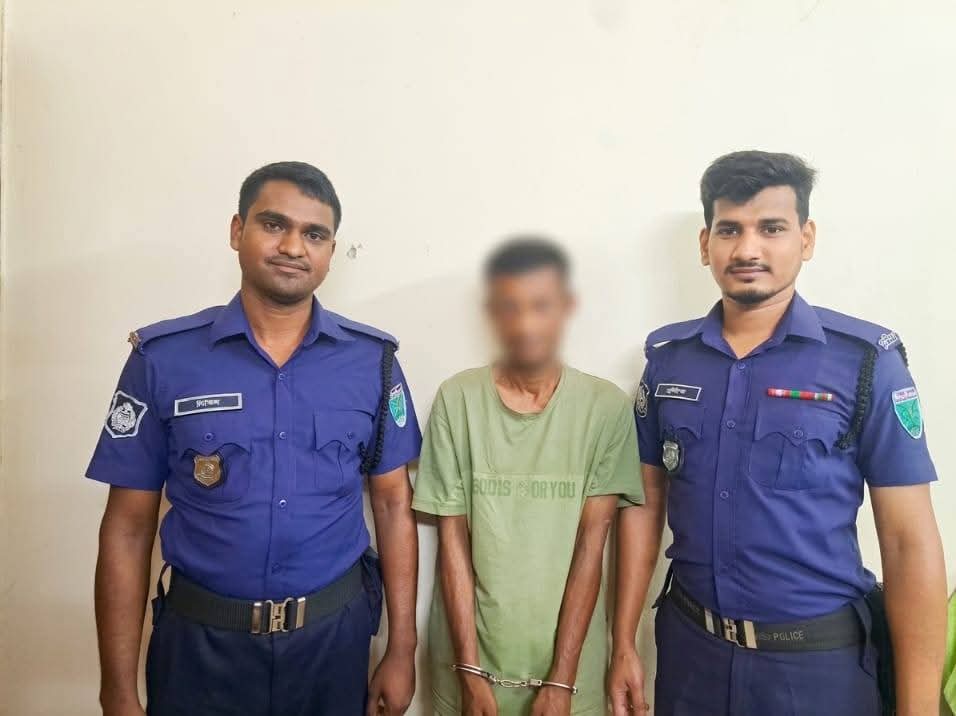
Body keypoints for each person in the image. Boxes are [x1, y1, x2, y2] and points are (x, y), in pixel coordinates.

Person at [609, 150, 947, 715]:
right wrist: (623, 642)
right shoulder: (669, 361)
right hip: (691, 657)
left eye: (771, 228)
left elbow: (909, 543)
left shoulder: (866, 364)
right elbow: (643, 503)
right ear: (705, 244)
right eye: (729, 230)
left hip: (816, 668)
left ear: (806, 239)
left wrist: (919, 709)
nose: (748, 249)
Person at [88, 161, 422, 716]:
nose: (293, 246)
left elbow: (392, 505)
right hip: (200, 648)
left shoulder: (373, 362)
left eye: (314, 234)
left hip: (332, 645)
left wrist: (403, 648)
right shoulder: (163, 359)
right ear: (237, 231)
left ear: (330, 252)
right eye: (273, 225)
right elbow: (126, 528)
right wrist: (116, 688)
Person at [412, 238, 644, 716]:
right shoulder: (458, 400)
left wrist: (561, 681)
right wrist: (470, 675)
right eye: (510, 307)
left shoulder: (604, 409)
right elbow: (453, 545)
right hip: (466, 668)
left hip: (569, 679)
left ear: (566, 308)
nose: (525, 324)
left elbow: (591, 548)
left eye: (541, 306)